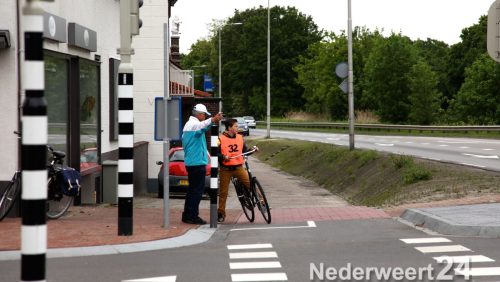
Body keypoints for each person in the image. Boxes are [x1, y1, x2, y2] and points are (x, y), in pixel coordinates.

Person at [182, 104, 223, 224]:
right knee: (196, 191)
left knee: (192, 190)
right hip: (197, 163)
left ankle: (187, 215)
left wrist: (211, 121)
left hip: (192, 163)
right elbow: (202, 126)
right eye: (204, 114)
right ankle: (192, 216)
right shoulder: (193, 125)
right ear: (200, 114)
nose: (205, 117)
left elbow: (202, 127)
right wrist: (213, 120)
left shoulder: (189, 125)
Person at [217, 118, 257, 223]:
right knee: (223, 192)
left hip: (238, 167)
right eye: (235, 126)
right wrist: (222, 157)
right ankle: (221, 213)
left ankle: (261, 201)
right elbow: (215, 153)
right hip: (225, 169)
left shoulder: (240, 138)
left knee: (251, 183)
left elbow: (245, 151)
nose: (237, 128)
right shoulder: (220, 139)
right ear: (229, 128)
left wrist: (253, 150)